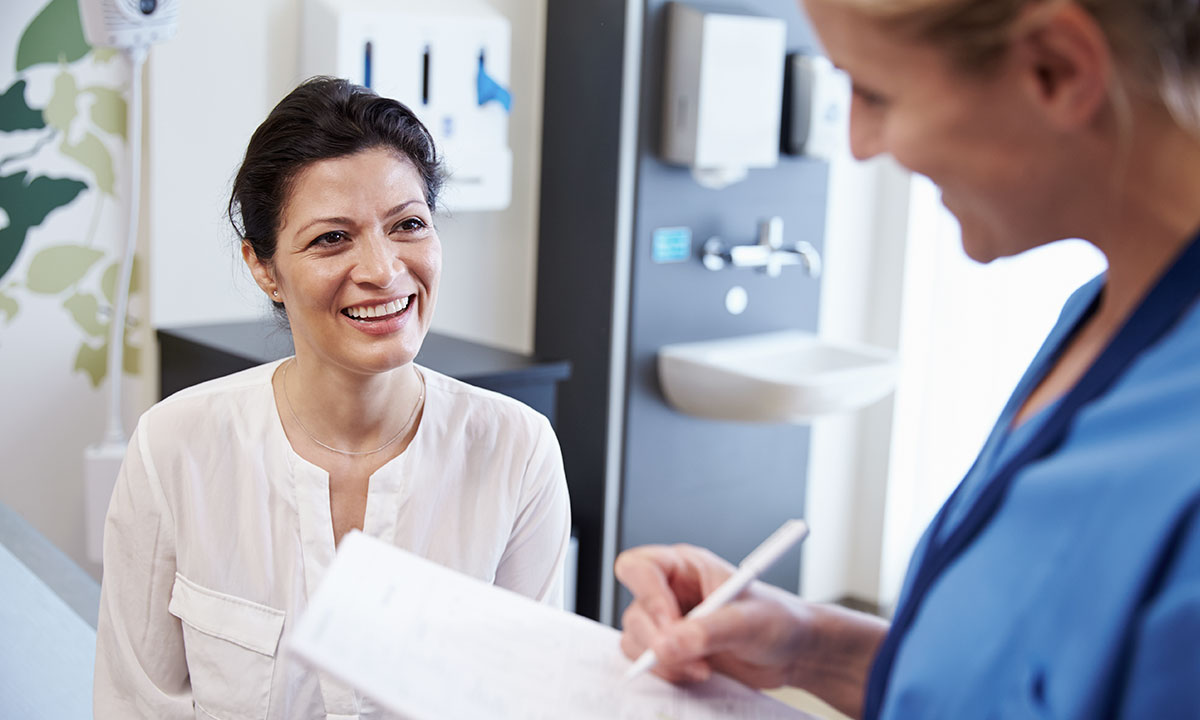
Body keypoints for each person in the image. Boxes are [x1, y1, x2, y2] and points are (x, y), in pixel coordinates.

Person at [617, 0, 1200, 717]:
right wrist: (811, 647)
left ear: (1056, 68)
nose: (859, 143)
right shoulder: (1104, 315)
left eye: (877, 94)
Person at [94, 77, 572, 719]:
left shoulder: (517, 450)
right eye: (331, 238)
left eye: (408, 224)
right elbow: (135, 704)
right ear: (264, 268)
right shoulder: (175, 446)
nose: (382, 269)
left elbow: (529, 700)